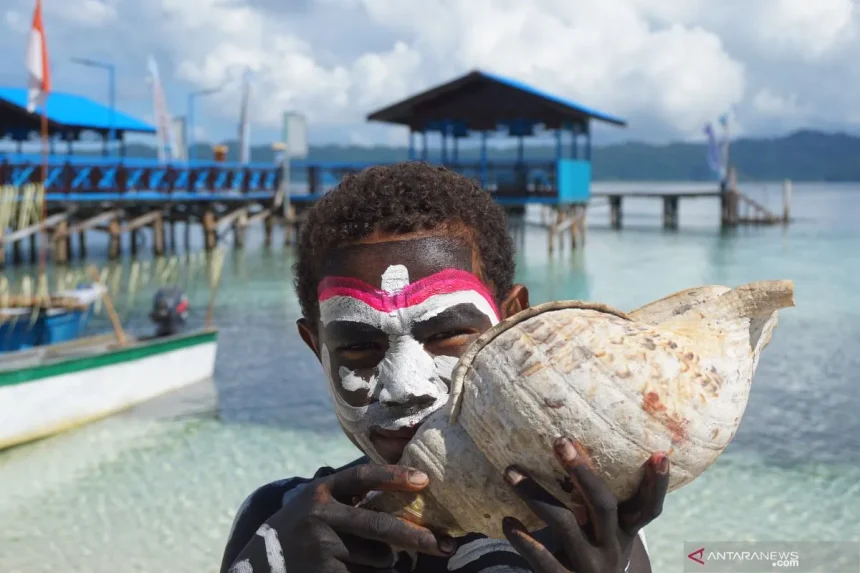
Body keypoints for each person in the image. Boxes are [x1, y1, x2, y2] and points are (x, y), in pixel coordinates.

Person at [220, 162, 669, 573]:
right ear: (316, 346)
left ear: (512, 324)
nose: (405, 387)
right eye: (358, 345)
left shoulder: (591, 531)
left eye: (447, 333)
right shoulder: (281, 526)